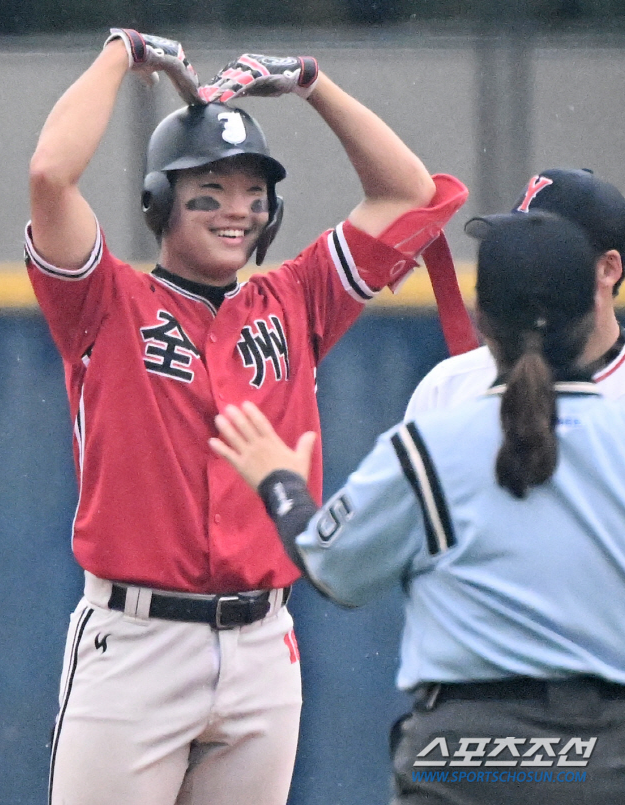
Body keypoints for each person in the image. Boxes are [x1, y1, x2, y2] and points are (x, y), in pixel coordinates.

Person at [26, 28, 468, 805]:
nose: (237, 209)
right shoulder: (105, 303)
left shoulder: (295, 297)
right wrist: (119, 56)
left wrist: (310, 83)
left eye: (252, 192)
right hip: (135, 641)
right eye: (210, 188)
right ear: (160, 200)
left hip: (264, 643)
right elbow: (50, 175)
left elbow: (409, 193)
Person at [210, 211, 625, 804]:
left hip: (462, 757)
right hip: (606, 756)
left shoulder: (430, 443)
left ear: (483, 320)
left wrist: (281, 484)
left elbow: (334, 568)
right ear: (591, 312)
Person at [405, 168, 625, 419]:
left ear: (607, 269)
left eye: (540, 253)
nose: (516, 266)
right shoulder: (446, 386)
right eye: (511, 249)